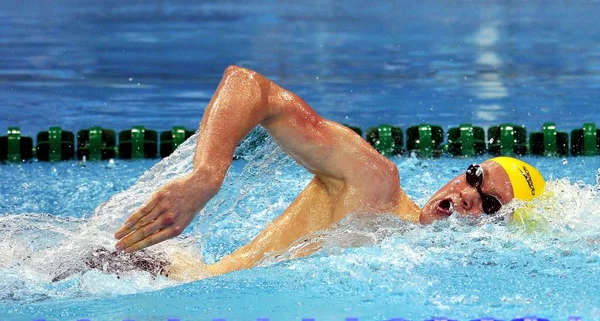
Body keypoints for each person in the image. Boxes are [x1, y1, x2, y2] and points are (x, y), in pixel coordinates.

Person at [112, 66, 545, 281]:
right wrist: (206, 176)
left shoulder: (417, 266)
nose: (470, 195)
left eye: (490, 205)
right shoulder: (374, 184)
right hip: (142, 275)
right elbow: (250, 85)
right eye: (474, 176)